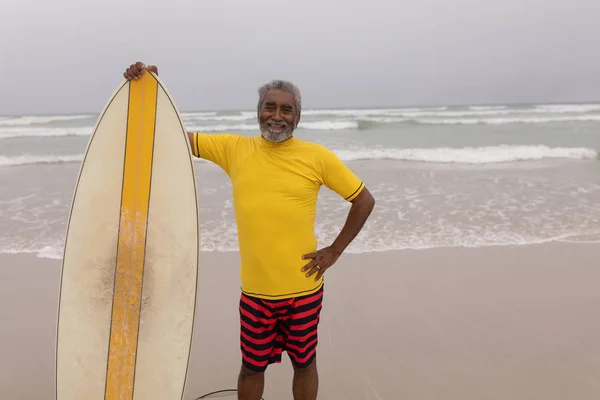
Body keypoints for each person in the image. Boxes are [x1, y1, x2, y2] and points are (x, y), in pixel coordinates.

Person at [123, 62, 375, 400]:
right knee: (251, 368)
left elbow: (363, 200)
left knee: (305, 365)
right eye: (270, 106)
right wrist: (146, 90)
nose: (277, 114)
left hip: (303, 290)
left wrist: (334, 251)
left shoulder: (316, 157)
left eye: (287, 109)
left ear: (297, 118)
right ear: (258, 113)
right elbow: (169, 138)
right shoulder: (234, 149)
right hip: (256, 295)